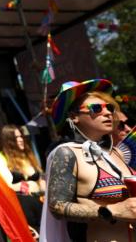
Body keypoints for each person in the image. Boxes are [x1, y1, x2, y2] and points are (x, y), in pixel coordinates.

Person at [42, 79, 136, 242]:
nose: (107, 113)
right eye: (96, 108)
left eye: (110, 108)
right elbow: (57, 206)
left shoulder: (116, 153)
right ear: (74, 117)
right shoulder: (67, 152)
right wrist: (113, 211)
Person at [0, 125, 44, 233]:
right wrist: (21, 186)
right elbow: (0, 188)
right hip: (22, 209)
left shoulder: (28, 155)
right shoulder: (0, 158)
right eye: (15, 138)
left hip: (39, 204)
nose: (20, 140)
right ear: (7, 141)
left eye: (21, 136)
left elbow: (39, 179)